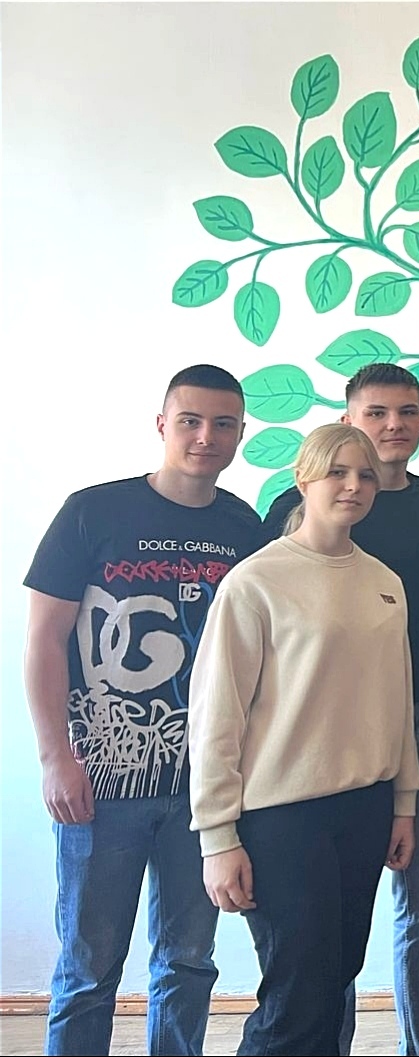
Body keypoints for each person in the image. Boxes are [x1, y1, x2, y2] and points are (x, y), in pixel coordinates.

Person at [22, 364, 267, 1057]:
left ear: (240, 434)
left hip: (205, 788)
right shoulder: (91, 512)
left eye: (223, 424)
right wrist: (55, 758)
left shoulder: (244, 528)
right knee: (88, 969)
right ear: (162, 424)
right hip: (101, 783)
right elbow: (43, 640)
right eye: (190, 420)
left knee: (187, 962)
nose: (205, 436)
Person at [187, 423, 419, 1056]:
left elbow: (397, 700)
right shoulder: (255, 582)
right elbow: (216, 716)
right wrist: (217, 837)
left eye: (365, 474)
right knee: (297, 998)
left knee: (336, 975)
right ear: (303, 479)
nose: (353, 486)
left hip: (366, 807)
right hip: (281, 818)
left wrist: (403, 803)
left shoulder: (385, 581)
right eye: (337, 472)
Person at [262, 363, 419, 1056]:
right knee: (324, 919)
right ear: (348, 419)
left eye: (407, 412)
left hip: (417, 721)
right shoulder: (290, 516)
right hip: (314, 736)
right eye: (377, 412)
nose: (394, 425)